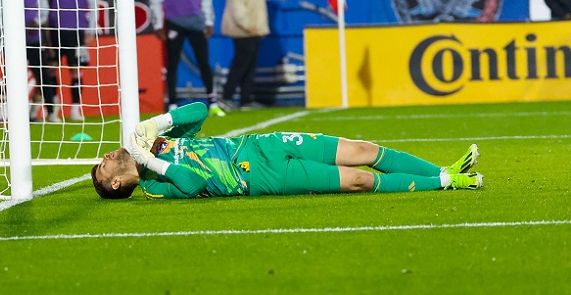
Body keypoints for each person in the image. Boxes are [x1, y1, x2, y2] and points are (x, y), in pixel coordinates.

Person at [91, 102, 484, 200]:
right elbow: (194, 183)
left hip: (265, 144)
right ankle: (448, 182)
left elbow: (199, 112)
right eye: (103, 169)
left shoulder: (151, 141)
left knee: (366, 149)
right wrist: (149, 162)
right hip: (262, 178)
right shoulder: (152, 186)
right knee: (361, 181)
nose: (106, 157)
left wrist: (156, 124)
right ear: (116, 185)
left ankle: (443, 169)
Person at [150, 0, 223, 116]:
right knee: (172, 63)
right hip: (175, 22)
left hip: (196, 22)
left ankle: (212, 101)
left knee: (204, 62)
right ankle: (172, 102)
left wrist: (208, 21)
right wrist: (158, 24)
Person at [44, 0, 98, 122]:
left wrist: (91, 29)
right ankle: (52, 110)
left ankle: (75, 109)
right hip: (55, 30)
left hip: (77, 31)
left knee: (76, 70)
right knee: (50, 69)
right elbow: (45, 3)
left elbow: (93, 4)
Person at [220, 0, 269, 110]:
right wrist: (249, 26)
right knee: (240, 65)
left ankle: (245, 99)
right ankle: (227, 97)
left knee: (249, 65)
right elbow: (237, 6)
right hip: (244, 31)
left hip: (253, 31)